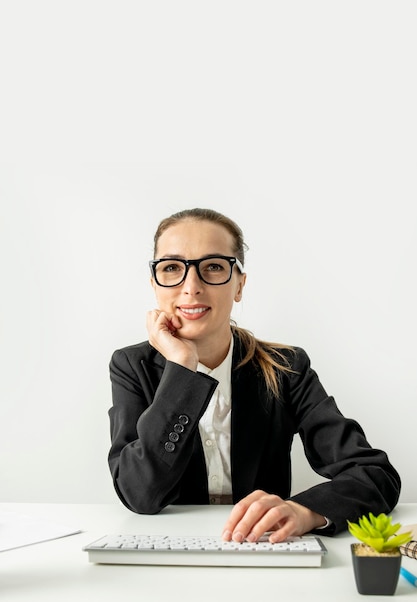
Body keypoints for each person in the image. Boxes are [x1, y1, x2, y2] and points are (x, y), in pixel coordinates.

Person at [108, 207, 401, 543]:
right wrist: (181, 368)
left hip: (261, 547)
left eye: (213, 267)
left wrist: (304, 511)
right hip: (167, 551)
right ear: (155, 284)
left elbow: (375, 474)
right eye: (172, 268)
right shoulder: (132, 366)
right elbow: (138, 494)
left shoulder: (286, 367)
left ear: (239, 285)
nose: (191, 287)